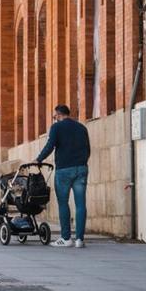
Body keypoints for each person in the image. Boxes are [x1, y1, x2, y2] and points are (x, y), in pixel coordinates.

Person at [35, 104, 91, 248]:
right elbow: (88, 149)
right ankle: (79, 239)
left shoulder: (56, 127)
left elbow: (50, 145)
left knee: (63, 203)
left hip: (64, 170)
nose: (55, 119)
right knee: (80, 204)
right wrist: (82, 162)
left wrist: (38, 159)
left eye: (55, 117)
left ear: (59, 115)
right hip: (81, 169)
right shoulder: (81, 128)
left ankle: (66, 238)